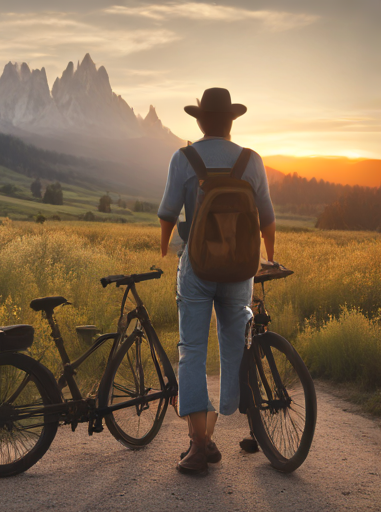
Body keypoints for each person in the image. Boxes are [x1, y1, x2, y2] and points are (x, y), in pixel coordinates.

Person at [158, 88, 276, 474]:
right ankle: (220, 421)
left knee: (191, 349)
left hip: (196, 267)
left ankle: (198, 444)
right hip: (241, 269)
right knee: (233, 350)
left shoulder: (184, 158)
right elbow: (267, 219)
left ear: (200, 122)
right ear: (230, 123)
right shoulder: (251, 160)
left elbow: (167, 214)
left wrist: (166, 248)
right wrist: (267, 258)